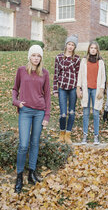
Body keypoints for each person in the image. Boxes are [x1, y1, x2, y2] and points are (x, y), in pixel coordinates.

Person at [12, 45, 51, 194]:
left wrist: (46, 115)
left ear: (41, 58)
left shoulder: (45, 73)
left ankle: (31, 173)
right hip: (25, 111)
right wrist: (17, 102)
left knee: (35, 143)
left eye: (38, 56)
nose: (36, 58)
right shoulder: (21, 71)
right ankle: (19, 176)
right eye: (33, 55)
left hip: (39, 112)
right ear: (29, 56)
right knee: (23, 145)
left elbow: (47, 95)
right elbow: (15, 89)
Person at [77, 41, 106, 145]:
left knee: (96, 112)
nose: (93, 49)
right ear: (89, 49)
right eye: (91, 48)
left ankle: (96, 136)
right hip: (86, 89)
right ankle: (85, 135)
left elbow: (103, 77)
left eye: (95, 48)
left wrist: (102, 90)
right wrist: (78, 88)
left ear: (97, 50)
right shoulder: (84, 61)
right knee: (85, 112)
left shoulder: (101, 62)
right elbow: (80, 75)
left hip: (96, 90)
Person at [53, 34, 80, 144]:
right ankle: (62, 133)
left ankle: (68, 134)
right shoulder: (58, 57)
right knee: (63, 113)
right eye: (69, 44)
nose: (70, 46)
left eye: (72, 45)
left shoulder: (77, 59)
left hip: (73, 87)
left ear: (74, 47)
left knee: (72, 112)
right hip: (62, 88)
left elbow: (78, 75)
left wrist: (79, 88)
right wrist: (55, 89)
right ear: (66, 45)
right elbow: (56, 74)